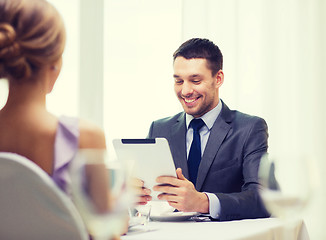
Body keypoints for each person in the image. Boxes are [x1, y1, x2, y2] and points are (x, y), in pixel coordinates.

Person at [147, 38, 270, 221]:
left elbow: (263, 199)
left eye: (195, 80)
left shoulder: (249, 128)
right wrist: (133, 195)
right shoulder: (160, 129)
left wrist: (203, 202)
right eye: (179, 81)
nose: (186, 91)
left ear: (218, 79)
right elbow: (149, 198)